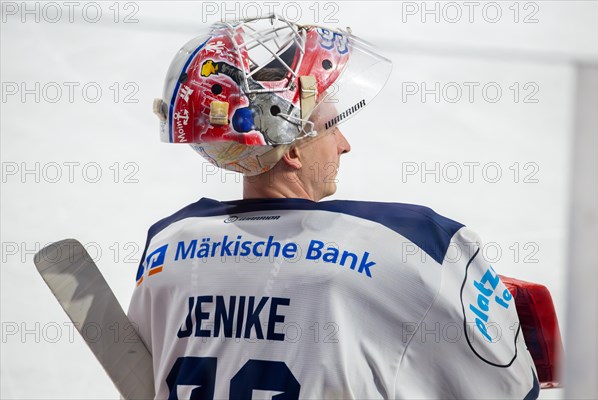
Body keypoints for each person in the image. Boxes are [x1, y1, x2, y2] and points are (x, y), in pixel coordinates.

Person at [129, 15, 540, 399]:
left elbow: (141, 368)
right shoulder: (416, 244)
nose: (344, 144)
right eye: (331, 126)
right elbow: (511, 385)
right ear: (292, 151)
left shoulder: (165, 246)